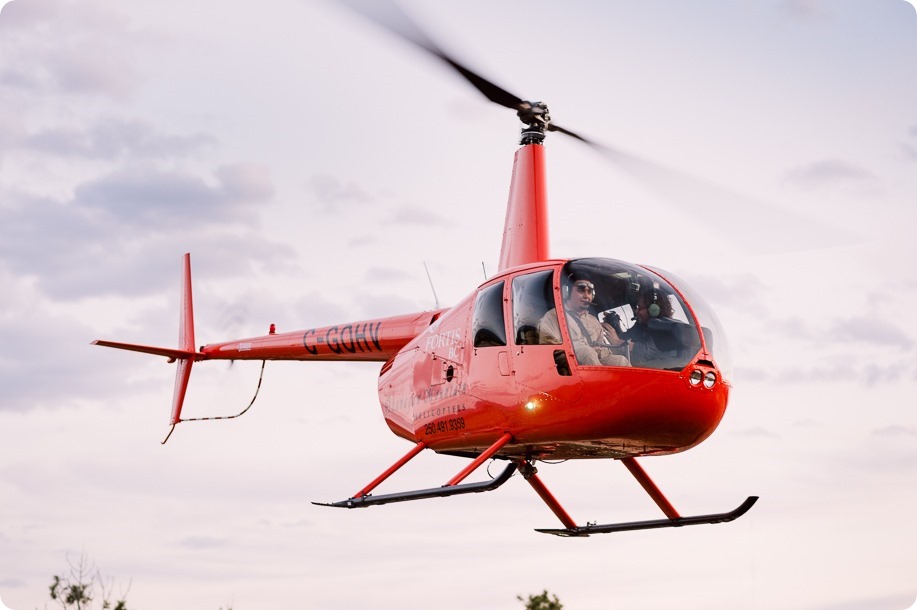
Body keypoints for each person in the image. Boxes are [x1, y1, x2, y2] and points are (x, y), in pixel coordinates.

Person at [538, 276, 630, 367]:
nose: (586, 296)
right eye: (581, 290)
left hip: (594, 364)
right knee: (587, 352)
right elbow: (550, 352)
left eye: (589, 292)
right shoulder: (553, 317)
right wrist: (581, 352)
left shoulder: (593, 321)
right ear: (567, 292)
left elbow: (603, 349)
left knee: (620, 361)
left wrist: (599, 350)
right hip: (570, 368)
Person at [604, 284, 680, 368]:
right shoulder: (641, 326)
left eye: (640, 308)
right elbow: (626, 338)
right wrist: (615, 325)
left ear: (653, 310)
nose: (636, 311)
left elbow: (646, 353)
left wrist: (617, 342)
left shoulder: (665, 329)